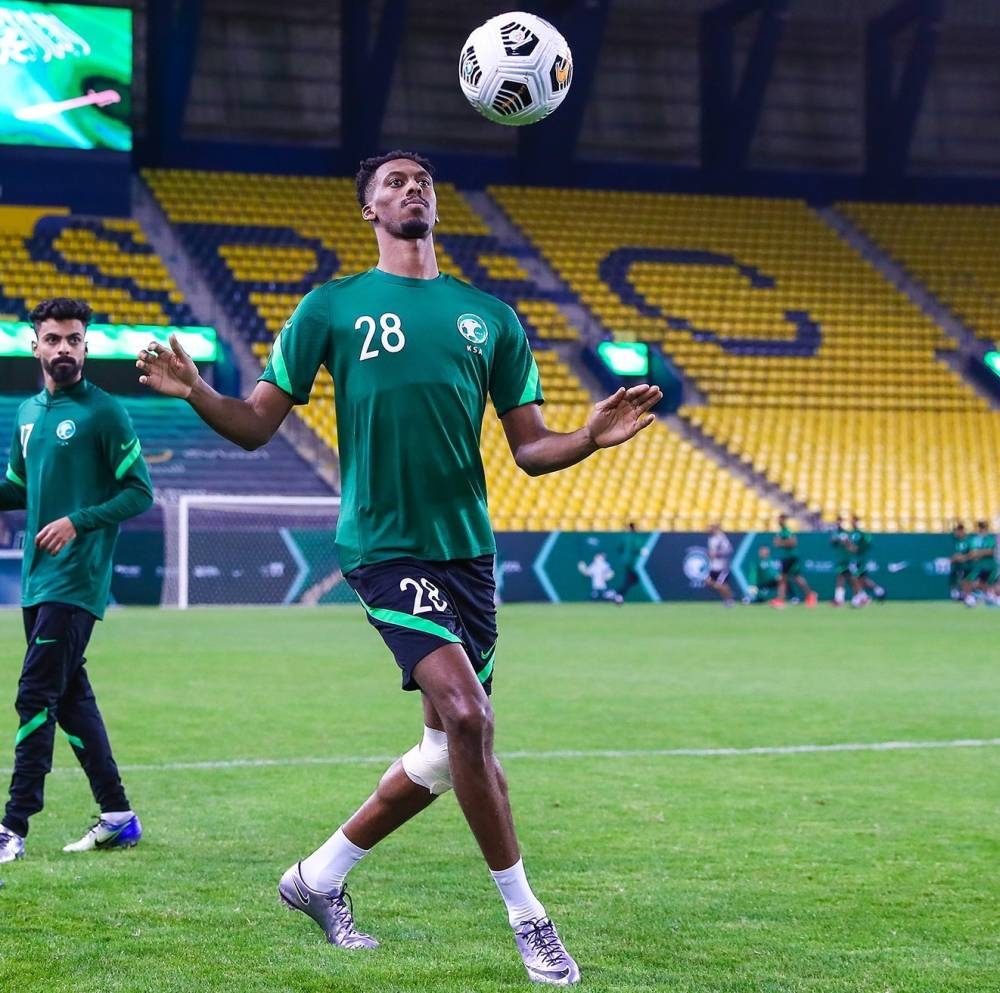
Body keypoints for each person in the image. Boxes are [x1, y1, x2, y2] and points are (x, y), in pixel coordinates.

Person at [135, 150, 663, 986]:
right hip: (383, 546)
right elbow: (254, 425)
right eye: (394, 182)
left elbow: (531, 449)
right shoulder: (331, 307)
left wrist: (590, 438)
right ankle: (530, 919)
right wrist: (198, 390)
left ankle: (317, 877)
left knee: (443, 752)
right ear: (370, 211)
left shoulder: (490, 318)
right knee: (471, 716)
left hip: (468, 555)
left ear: (435, 207)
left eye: (422, 181)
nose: (412, 188)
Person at [0, 297, 152, 864]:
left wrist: (76, 521)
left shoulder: (104, 412)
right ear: (34, 346)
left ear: (85, 346)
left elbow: (139, 491)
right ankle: (118, 817)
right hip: (37, 579)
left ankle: (13, 826)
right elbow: (19, 488)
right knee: (68, 698)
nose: (63, 348)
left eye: (73, 339)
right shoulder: (26, 414)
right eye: (53, 339)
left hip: (77, 579)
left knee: (35, 694)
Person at [771, 514, 818, 608]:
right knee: (792, 578)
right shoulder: (781, 532)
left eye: (781, 520)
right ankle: (809, 595)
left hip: (791, 557)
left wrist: (781, 543)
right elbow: (776, 543)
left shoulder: (787, 531)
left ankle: (781, 599)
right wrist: (780, 543)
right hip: (786, 557)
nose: (779, 521)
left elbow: (793, 542)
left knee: (787, 578)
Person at [847, 516, 885, 607]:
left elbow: (867, 544)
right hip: (854, 560)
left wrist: (858, 549)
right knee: (861, 579)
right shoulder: (851, 534)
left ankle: (861, 597)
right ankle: (878, 591)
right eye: (852, 521)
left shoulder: (862, 534)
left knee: (855, 578)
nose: (853, 523)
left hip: (860, 560)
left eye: (854, 521)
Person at [962, 520, 999, 607]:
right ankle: (970, 597)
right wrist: (970, 556)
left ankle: (990, 597)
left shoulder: (990, 539)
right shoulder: (974, 539)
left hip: (990, 565)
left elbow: (990, 551)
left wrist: (978, 553)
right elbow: (971, 552)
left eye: (983, 527)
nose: (982, 529)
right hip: (978, 565)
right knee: (972, 581)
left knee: (990, 582)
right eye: (981, 527)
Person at [704, 523, 735, 606]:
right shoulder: (711, 538)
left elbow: (729, 550)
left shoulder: (721, 538)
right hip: (713, 566)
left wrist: (717, 554)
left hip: (722, 567)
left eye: (710, 528)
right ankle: (728, 595)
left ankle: (729, 599)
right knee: (708, 582)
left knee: (719, 585)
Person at [613, 521, 643, 603]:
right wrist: (641, 551)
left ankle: (619, 595)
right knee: (631, 580)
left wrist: (624, 554)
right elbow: (638, 548)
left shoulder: (625, 536)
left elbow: (619, 548)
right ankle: (617, 593)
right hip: (632, 563)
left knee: (631, 579)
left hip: (625, 561)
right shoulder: (635, 537)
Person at [830, 517, 853, 607]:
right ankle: (862, 596)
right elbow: (833, 542)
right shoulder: (835, 533)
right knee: (847, 578)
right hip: (841, 558)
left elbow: (849, 544)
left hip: (845, 559)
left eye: (839, 521)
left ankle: (839, 599)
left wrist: (845, 542)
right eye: (837, 521)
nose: (838, 523)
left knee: (842, 577)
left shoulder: (845, 533)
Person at [949, 522, 970, 601]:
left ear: (961, 531)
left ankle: (967, 595)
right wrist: (954, 558)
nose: (955, 533)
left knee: (965, 580)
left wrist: (964, 557)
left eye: (957, 531)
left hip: (966, 565)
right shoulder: (957, 542)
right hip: (957, 565)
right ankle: (957, 594)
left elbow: (971, 553)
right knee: (954, 579)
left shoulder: (968, 541)